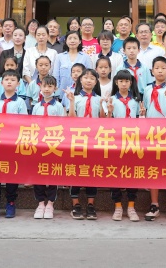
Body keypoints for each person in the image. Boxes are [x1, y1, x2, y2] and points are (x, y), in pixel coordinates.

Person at [143, 56, 166, 223]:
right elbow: (145, 110)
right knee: (153, 168)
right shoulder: (146, 89)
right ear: (152, 71)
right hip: (151, 132)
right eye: (157, 68)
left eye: (163, 68)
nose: (160, 70)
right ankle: (154, 205)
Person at [0, 70, 28, 219]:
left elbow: (24, 122)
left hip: (12, 143)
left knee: (12, 171)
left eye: (13, 80)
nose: (9, 82)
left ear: (18, 84)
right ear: (1, 82)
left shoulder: (20, 102)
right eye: (7, 79)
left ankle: (11, 202)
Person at [66, 68, 104, 219]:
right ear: (80, 80)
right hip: (78, 139)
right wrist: (71, 102)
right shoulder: (75, 98)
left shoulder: (99, 99)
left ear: (96, 82)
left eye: (92, 78)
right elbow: (71, 119)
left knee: (92, 171)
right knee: (76, 170)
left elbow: (103, 120)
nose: (89, 80)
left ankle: (90, 204)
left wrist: (104, 107)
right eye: (86, 77)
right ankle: (75, 204)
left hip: (94, 140)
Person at [106, 70, 142, 222]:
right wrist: (109, 113)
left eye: (126, 81)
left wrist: (142, 115)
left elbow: (141, 121)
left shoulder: (136, 100)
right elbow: (106, 124)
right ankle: (118, 206)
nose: (124, 84)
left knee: (132, 173)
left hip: (132, 141)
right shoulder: (111, 100)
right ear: (116, 82)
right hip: (116, 141)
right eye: (121, 81)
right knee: (115, 173)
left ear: (131, 83)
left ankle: (131, 206)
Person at [31, 75, 65, 219]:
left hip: (53, 144)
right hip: (39, 144)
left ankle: (50, 203)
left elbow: (63, 125)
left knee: (52, 173)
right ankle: (40, 203)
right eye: (44, 86)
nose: (47, 89)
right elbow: (32, 125)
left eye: (50, 86)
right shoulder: (36, 107)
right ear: (40, 87)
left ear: (55, 89)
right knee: (38, 172)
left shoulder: (58, 106)